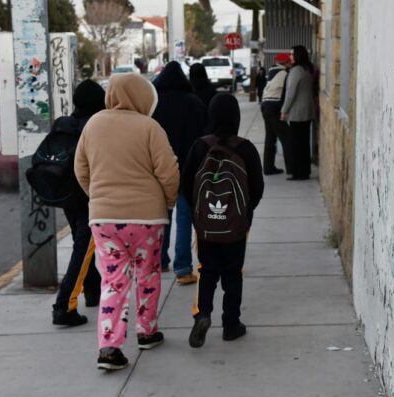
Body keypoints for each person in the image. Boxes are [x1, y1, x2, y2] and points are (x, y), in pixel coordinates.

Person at [74, 73, 180, 371]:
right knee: (147, 276)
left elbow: (81, 169)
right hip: (147, 219)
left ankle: (109, 347)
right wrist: (168, 201)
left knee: (113, 281)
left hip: (104, 220)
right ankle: (146, 331)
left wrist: (98, 197)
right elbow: (169, 171)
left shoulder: (93, 124)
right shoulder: (150, 127)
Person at [180, 93, 265, 348]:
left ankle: (203, 314)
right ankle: (231, 324)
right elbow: (257, 188)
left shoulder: (199, 146)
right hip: (236, 226)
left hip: (206, 226)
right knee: (232, 273)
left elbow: (186, 185)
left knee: (207, 271)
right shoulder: (245, 148)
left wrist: (200, 214)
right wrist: (244, 214)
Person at [52, 80, 105, 327]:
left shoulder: (63, 124)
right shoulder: (94, 127)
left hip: (66, 196)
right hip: (87, 196)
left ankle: (92, 291)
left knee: (82, 245)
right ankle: (64, 306)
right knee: (83, 248)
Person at [152, 61, 207, 285]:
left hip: (160, 169)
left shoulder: (154, 104)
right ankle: (183, 267)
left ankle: (160, 259)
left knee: (161, 216)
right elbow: (205, 133)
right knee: (185, 217)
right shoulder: (193, 102)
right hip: (188, 168)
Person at [280, 45, 315, 181]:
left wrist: (284, 111)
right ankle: (304, 171)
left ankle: (298, 173)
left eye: (292, 54)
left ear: (298, 55)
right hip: (307, 112)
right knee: (304, 143)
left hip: (297, 113)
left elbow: (290, 94)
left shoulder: (296, 71)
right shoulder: (307, 69)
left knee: (296, 144)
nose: (290, 56)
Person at [260, 53, 294, 175]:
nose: (291, 64)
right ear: (286, 63)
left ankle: (268, 168)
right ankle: (291, 169)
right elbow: (288, 92)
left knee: (270, 138)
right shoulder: (285, 74)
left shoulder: (270, 72)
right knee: (287, 138)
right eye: (289, 61)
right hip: (274, 107)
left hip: (265, 106)